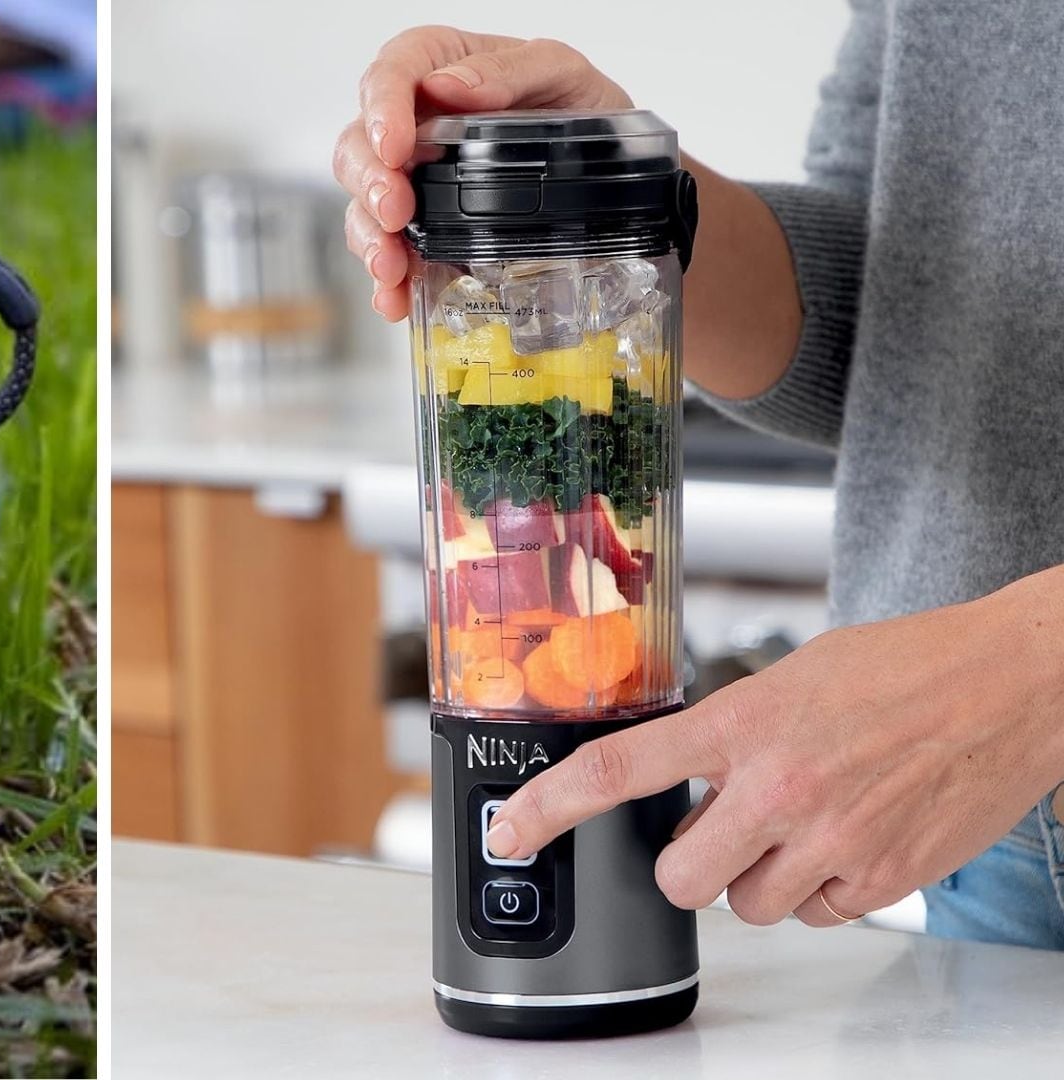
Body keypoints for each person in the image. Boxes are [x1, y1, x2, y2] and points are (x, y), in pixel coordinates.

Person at [334, 6, 1064, 949]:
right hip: (984, 836)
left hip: (985, 732)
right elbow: (899, 308)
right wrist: (617, 197)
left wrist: (1028, 670)